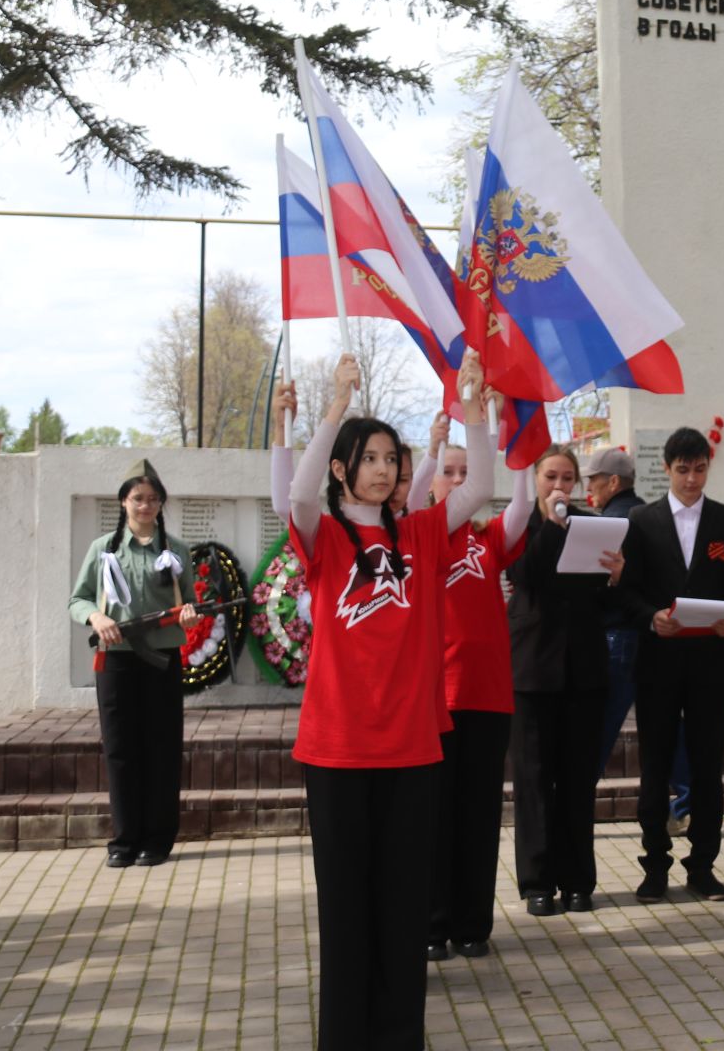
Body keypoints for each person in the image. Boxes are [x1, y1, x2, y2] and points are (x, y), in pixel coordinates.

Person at [283, 352, 491, 1049]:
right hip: (338, 749)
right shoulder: (326, 540)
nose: (384, 468)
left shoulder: (422, 538)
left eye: (390, 458)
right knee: (346, 909)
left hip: (410, 749)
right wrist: (335, 409)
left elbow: (479, 487)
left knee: (402, 909)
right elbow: (300, 497)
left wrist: (475, 413)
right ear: (344, 467)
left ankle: (401, 1036)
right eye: (368, 458)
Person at [618, 427, 724, 904]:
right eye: (683, 470)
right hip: (658, 663)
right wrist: (651, 619)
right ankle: (655, 866)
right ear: (666, 469)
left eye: (699, 469)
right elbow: (627, 592)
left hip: (711, 666)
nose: (692, 479)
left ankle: (703, 867)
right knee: (654, 768)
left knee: (706, 768)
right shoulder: (641, 520)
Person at [428, 414, 532, 961]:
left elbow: (523, 507)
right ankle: (432, 923)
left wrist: (514, 443)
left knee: (478, 814)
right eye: (449, 471)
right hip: (434, 699)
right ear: (431, 482)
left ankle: (473, 924)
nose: (459, 478)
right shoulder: (418, 539)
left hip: (488, 696)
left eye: (468, 470)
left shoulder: (489, 538)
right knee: (435, 815)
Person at [509, 445, 625, 917]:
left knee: (578, 781)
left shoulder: (590, 525)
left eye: (567, 478)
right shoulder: (518, 524)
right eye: (550, 477)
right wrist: (552, 530)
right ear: (535, 480)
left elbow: (602, 598)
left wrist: (616, 576)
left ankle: (578, 879)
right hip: (533, 668)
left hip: (584, 669)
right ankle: (537, 881)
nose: (559, 487)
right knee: (534, 780)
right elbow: (524, 574)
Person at [67, 461, 196, 863]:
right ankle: (124, 841)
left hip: (161, 659)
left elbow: (189, 601)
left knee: (161, 748)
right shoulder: (103, 549)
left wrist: (190, 614)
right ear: (123, 501)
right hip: (115, 659)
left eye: (153, 499)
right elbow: (78, 599)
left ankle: (157, 841)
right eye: (138, 498)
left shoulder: (176, 551)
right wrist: (97, 617)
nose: (146, 506)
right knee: (121, 750)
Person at [587, 448, 692, 831]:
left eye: (593, 480)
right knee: (666, 726)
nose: (589, 488)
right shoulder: (654, 518)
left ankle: (578, 798)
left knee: (600, 726)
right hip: (655, 636)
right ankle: (689, 798)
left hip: (618, 638)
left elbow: (600, 587)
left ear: (613, 482)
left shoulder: (608, 524)